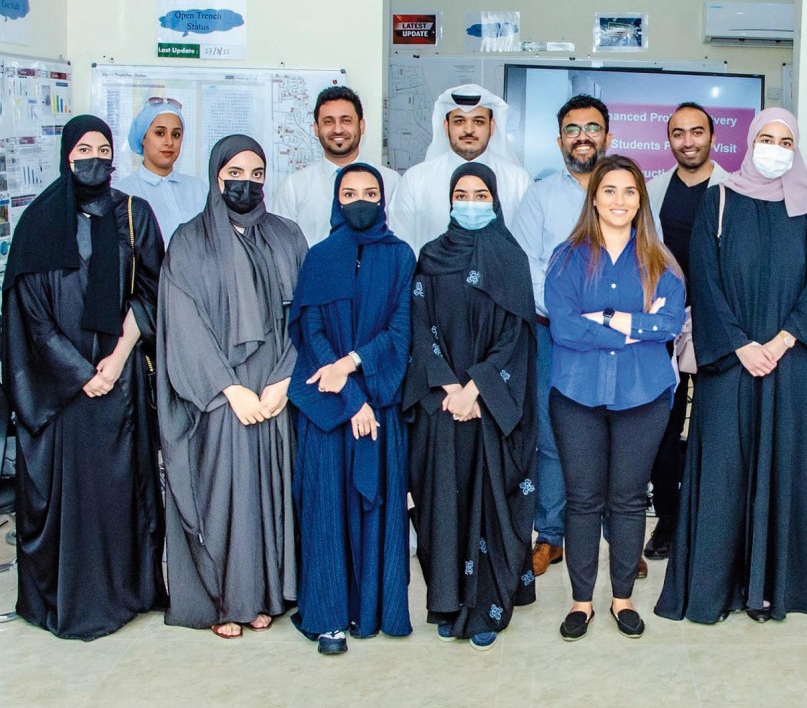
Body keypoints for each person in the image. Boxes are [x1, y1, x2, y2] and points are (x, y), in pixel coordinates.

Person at [656, 108, 807, 626]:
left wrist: (779, 342)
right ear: (750, 142)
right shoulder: (721, 197)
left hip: (791, 362)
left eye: (785, 140)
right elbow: (704, 282)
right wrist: (739, 346)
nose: (774, 147)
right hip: (731, 365)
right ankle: (719, 588)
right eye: (766, 138)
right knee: (725, 475)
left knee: (785, 466)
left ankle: (777, 588)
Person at [1, 116, 165, 639]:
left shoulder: (134, 214)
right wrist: (78, 374)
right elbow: (28, 312)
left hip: (121, 383)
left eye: (103, 148)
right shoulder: (39, 221)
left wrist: (114, 362)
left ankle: (127, 593)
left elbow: (151, 293)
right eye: (83, 149)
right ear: (66, 156)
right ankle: (67, 598)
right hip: (62, 392)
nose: (94, 157)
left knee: (123, 491)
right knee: (66, 496)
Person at [158, 134, 308, 638]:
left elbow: (307, 317)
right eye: (235, 173)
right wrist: (228, 389)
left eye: (257, 174)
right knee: (223, 498)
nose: (246, 183)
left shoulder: (287, 236)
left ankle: (263, 596)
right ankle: (225, 601)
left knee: (271, 496)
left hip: (273, 390)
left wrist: (284, 379)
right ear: (217, 175)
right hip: (220, 398)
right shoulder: (188, 241)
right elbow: (183, 323)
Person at [546, 154, 685, 641]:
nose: (619, 200)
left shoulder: (660, 261)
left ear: (640, 200)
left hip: (643, 395)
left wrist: (603, 319)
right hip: (576, 395)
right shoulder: (566, 257)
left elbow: (668, 324)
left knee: (627, 501)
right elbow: (562, 327)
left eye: (629, 191)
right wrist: (629, 327)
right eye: (609, 191)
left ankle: (621, 598)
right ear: (594, 197)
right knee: (583, 500)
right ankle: (581, 602)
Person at [404, 162, 538, 652]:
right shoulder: (431, 256)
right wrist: (448, 389)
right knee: (444, 501)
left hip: (488, 408)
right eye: (462, 193)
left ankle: (487, 604)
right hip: (443, 406)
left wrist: (476, 389)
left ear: (496, 199)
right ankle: (446, 598)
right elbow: (421, 328)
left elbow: (515, 338)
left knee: (490, 500)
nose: (471, 202)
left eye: (481, 194)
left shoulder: (511, 258)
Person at [287, 163, 415, 655]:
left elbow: (401, 333)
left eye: (370, 192)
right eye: (349, 192)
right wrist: (351, 396)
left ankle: (379, 611)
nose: (359, 200)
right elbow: (310, 331)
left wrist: (354, 366)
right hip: (331, 409)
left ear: (383, 199)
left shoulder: (401, 256)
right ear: (336, 200)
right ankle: (329, 618)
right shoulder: (319, 257)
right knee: (326, 510)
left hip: (380, 402)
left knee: (380, 507)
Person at [510, 93, 612, 577]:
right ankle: (550, 536)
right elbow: (524, 265)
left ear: (607, 137)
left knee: (613, 431)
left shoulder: (623, 192)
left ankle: (618, 538)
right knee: (552, 435)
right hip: (552, 333)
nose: (583, 137)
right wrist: (570, 318)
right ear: (559, 140)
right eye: (573, 129)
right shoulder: (540, 196)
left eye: (592, 128)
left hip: (616, 337)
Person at [642, 102, 728, 560]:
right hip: (663, 326)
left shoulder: (734, 189)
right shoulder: (653, 191)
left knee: (714, 426)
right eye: (679, 133)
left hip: (716, 326)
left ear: (713, 137)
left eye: (697, 132)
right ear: (669, 139)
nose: (689, 141)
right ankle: (670, 521)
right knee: (663, 426)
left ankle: (709, 521)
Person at [393, 85, 533, 253]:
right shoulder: (415, 179)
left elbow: (527, 247)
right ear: (446, 127)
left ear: (492, 126)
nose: (469, 130)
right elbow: (402, 245)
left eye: (478, 121)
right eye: (459, 121)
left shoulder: (518, 180)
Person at [271, 85, 402, 246]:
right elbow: (282, 249)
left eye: (346, 121)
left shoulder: (390, 181)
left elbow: (398, 242)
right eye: (328, 122)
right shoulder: (293, 187)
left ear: (361, 126)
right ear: (316, 128)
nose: (338, 129)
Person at [116, 96, 207, 245]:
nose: (169, 142)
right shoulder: (122, 193)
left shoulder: (199, 189)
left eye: (176, 135)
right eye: (160, 133)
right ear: (142, 137)